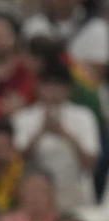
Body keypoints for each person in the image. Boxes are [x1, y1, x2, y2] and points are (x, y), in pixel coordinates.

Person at [13, 62, 99, 210]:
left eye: (58, 85)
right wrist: (41, 131)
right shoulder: (23, 118)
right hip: (36, 194)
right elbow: (17, 160)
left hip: (74, 190)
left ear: (69, 89)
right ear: (38, 88)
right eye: (48, 85)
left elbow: (90, 163)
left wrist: (64, 133)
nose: (53, 91)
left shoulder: (84, 116)